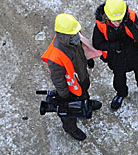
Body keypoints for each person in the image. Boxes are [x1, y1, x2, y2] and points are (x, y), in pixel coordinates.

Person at [42, 12, 104, 141]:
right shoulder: (56, 56)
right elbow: (58, 80)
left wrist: (88, 60)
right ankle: (70, 127)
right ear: (64, 35)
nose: (77, 35)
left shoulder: (72, 40)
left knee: (84, 94)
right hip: (70, 89)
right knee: (69, 108)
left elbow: (80, 53)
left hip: (81, 80)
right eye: (73, 34)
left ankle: (86, 104)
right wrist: (65, 95)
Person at [92, 0, 138, 109]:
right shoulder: (101, 24)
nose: (117, 23)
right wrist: (115, 46)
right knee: (119, 79)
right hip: (117, 56)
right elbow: (97, 44)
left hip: (134, 52)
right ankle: (121, 94)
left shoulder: (131, 17)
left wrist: (129, 24)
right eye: (114, 20)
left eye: (119, 20)